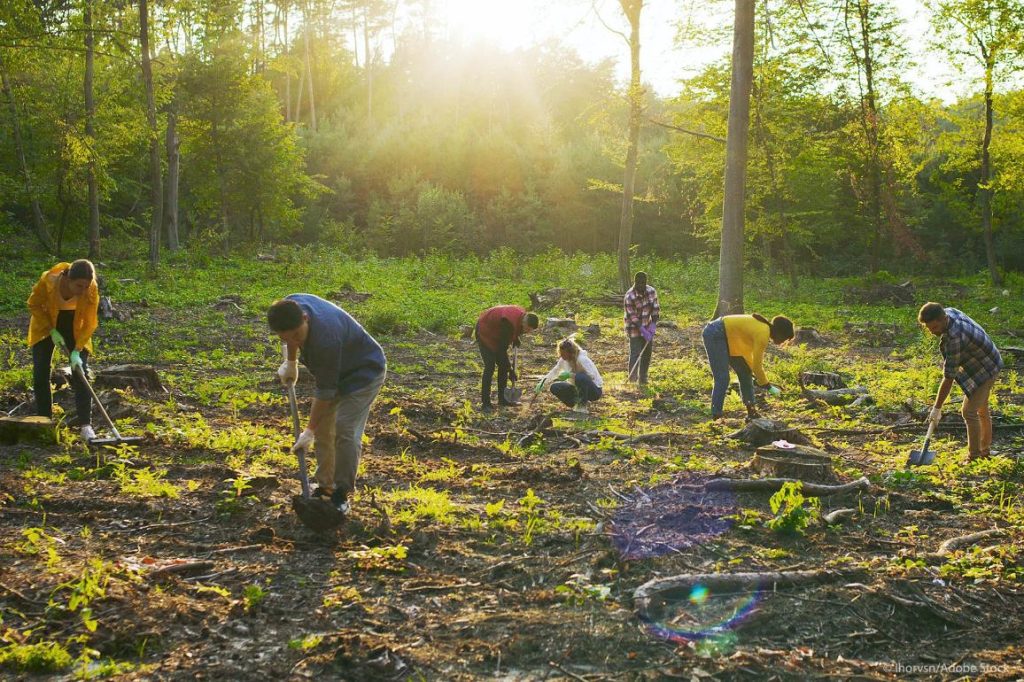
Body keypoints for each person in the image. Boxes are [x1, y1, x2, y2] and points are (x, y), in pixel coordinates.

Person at [268, 295, 386, 514]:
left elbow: (325, 391)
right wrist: (291, 361)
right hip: (337, 370)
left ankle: (342, 493)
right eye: (286, 338)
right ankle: (326, 488)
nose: (294, 341)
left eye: (297, 336)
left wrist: (308, 431)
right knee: (324, 430)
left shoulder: (326, 339)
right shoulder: (290, 306)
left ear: (305, 318)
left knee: (345, 430)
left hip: (365, 373)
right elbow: (291, 338)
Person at [918, 302, 1002, 462]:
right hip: (982, 359)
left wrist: (936, 408)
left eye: (934, 328)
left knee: (969, 411)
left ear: (943, 319)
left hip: (988, 367)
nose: (932, 332)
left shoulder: (955, 338)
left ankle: (975, 457)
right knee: (981, 408)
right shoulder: (948, 313)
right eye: (929, 329)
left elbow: (949, 377)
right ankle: (984, 451)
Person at [27, 260, 100, 440]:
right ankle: (45, 421)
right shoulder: (49, 281)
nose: (83, 290)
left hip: (75, 325)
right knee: (41, 372)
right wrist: (51, 329)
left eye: (86, 286)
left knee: (81, 371)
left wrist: (77, 349)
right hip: (46, 325)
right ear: (67, 278)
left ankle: (85, 426)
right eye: (79, 285)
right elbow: (33, 303)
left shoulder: (91, 288)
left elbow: (90, 321)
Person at [702, 313, 794, 420]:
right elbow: (757, 365)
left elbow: (750, 361)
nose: (783, 342)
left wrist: (757, 377)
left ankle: (751, 412)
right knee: (722, 378)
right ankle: (716, 415)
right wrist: (767, 386)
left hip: (730, 338)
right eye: (785, 338)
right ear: (780, 333)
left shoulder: (763, 328)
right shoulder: (763, 333)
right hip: (716, 333)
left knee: (746, 373)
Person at [475, 305, 539, 412]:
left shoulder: (522, 316)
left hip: (497, 332)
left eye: (529, 331)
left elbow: (512, 333)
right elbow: (501, 351)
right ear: (524, 322)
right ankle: (485, 403)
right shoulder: (508, 322)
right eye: (527, 329)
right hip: (485, 331)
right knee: (490, 366)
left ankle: (502, 399)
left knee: (503, 367)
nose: (527, 332)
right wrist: (510, 370)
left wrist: (515, 337)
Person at [533, 338, 603, 414]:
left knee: (580, 377)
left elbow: (590, 377)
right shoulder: (563, 360)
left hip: (594, 391)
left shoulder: (582, 359)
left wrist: (570, 375)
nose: (561, 356)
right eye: (560, 353)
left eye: (563, 353)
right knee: (555, 387)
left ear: (570, 352)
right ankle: (576, 404)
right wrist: (542, 383)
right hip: (577, 389)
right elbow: (554, 371)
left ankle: (582, 406)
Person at [624, 271, 660, 386]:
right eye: (638, 283)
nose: (641, 286)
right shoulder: (629, 296)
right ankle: (632, 381)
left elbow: (655, 309)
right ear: (635, 282)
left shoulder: (651, 291)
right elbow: (632, 317)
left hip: (648, 326)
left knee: (647, 353)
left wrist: (653, 324)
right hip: (633, 328)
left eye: (643, 283)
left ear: (646, 282)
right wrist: (642, 330)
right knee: (635, 353)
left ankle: (643, 379)